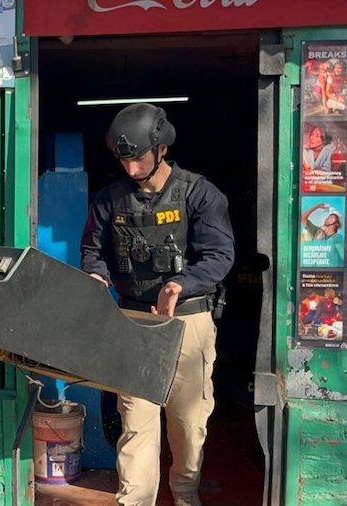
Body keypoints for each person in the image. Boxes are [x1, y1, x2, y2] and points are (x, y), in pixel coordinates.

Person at [80, 103, 235, 506]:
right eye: (124, 160)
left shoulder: (199, 193)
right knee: (136, 422)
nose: (131, 168)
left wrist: (181, 284)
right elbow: (93, 250)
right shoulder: (109, 200)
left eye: (138, 158)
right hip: (134, 321)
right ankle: (134, 501)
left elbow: (220, 255)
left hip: (188, 322)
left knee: (188, 423)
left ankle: (184, 494)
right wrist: (96, 275)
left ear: (161, 149)